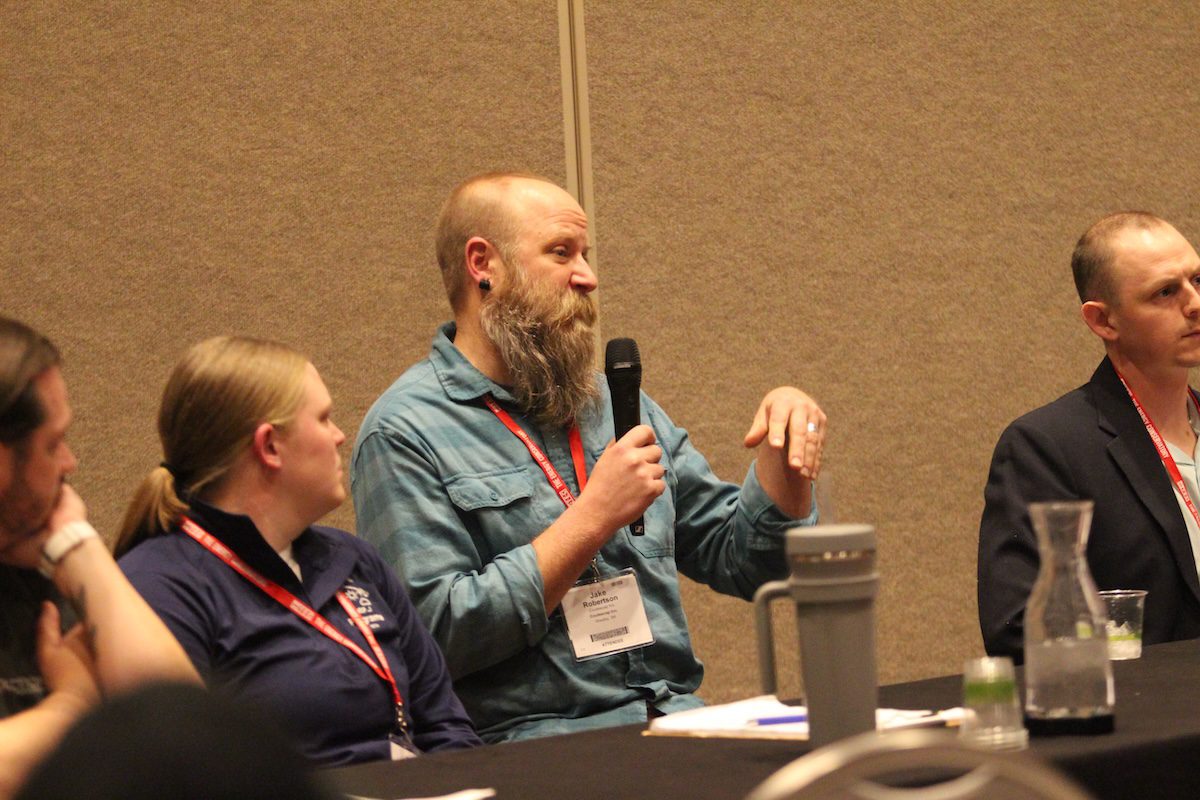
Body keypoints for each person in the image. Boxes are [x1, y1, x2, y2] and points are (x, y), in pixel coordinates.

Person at [352, 172, 826, 742]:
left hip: (679, 723)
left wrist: (784, 462)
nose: (588, 276)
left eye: (585, 254)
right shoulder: (405, 430)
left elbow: (746, 563)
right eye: (561, 253)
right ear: (484, 264)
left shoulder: (609, 403)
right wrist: (592, 519)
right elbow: (432, 636)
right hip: (538, 750)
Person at [115, 336, 480, 765]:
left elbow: (446, 725)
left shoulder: (354, 560)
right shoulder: (158, 587)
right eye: (323, 419)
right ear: (269, 446)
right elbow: (176, 770)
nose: (341, 436)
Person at [979, 212, 1200, 661]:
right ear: (1104, 322)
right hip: (1150, 717)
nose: (1194, 302)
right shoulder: (1046, 448)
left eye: (1198, 279)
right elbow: (1020, 631)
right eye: (1165, 292)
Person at [0, 316, 199, 798]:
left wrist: (78, 546)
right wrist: (70, 708)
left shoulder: (39, 561)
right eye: (52, 444)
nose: (71, 463)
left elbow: (189, 735)